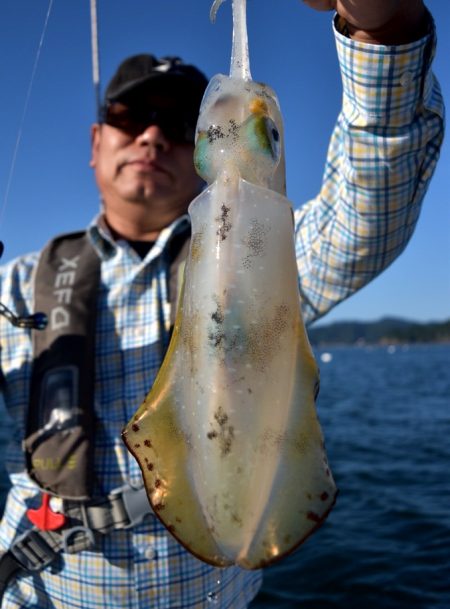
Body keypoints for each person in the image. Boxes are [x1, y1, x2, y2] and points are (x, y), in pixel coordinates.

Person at [0, 0, 444, 607]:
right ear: (96, 140)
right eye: (130, 116)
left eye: (181, 125)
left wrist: (383, 30)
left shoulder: (268, 254)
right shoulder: (18, 287)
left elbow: (367, 215)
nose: (152, 135)